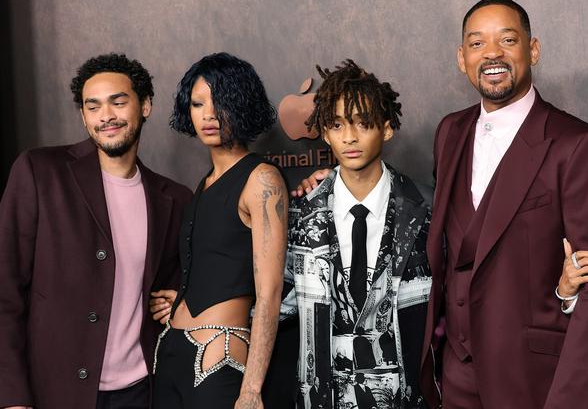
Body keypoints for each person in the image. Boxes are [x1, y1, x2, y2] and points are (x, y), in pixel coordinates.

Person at [419, 0, 588, 408]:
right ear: (462, 58)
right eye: (477, 44)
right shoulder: (449, 132)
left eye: (507, 40)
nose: (491, 53)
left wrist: (570, 400)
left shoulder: (580, 145)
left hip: (535, 382)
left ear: (533, 50)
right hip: (455, 375)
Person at [0, 53, 192, 409]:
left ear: (145, 104)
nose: (106, 116)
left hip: (141, 391)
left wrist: (177, 299)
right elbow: (5, 289)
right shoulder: (40, 173)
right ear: (84, 115)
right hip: (54, 391)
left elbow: (180, 282)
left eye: (118, 102)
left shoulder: (174, 199)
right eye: (93, 107)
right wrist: (13, 397)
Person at [280, 59, 432, 408]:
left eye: (363, 123)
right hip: (323, 399)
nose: (349, 137)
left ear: (387, 128)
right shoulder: (303, 213)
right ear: (324, 131)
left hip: (407, 396)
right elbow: (277, 302)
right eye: (337, 125)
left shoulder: (426, 209)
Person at [150, 53, 286, 409]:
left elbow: (269, 294)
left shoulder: (262, 179)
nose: (209, 114)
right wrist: (178, 298)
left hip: (221, 355)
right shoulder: (204, 184)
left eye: (221, 102)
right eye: (197, 104)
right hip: (170, 353)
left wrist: (252, 388)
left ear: (242, 105)